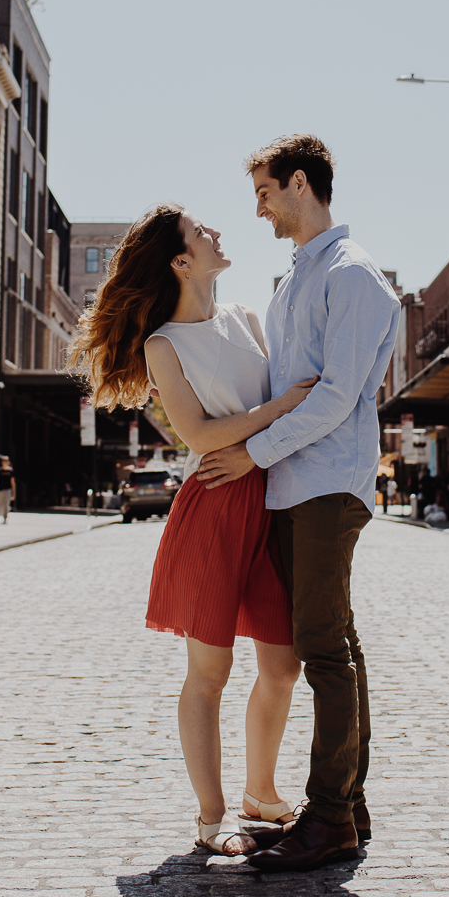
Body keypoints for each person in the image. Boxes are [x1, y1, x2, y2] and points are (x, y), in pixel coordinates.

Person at [69, 203, 316, 856]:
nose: (216, 235)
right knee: (209, 673)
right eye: (202, 233)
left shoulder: (246, 320)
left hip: (269, 497)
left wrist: (269, 431)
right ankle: (211, 818)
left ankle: (259, 792)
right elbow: (200, 435)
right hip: (215, 509)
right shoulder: (163, 345)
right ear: (181, 261)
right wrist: (279, 407)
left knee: (283, 664)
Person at [197, 135, 402, 874]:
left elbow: (340, 397)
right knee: (332, 642)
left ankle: (330, 820)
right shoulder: (296, 280)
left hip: (323, 484)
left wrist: (251, 452)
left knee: (323, 648)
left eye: (264, 192)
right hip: (290, 484)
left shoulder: (350, 277)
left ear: (299, 184)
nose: (257, 209)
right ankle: (345, 803)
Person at [0, 456, 16, 524]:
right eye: (4, 461)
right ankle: (4, 514)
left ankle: (5, 517)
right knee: (1, 504)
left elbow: (12, 483)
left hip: (7, 490)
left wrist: (13, 494)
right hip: (0, 490)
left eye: (6, 461)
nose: (5, 463)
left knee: (6, 504)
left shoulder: (10, 471)